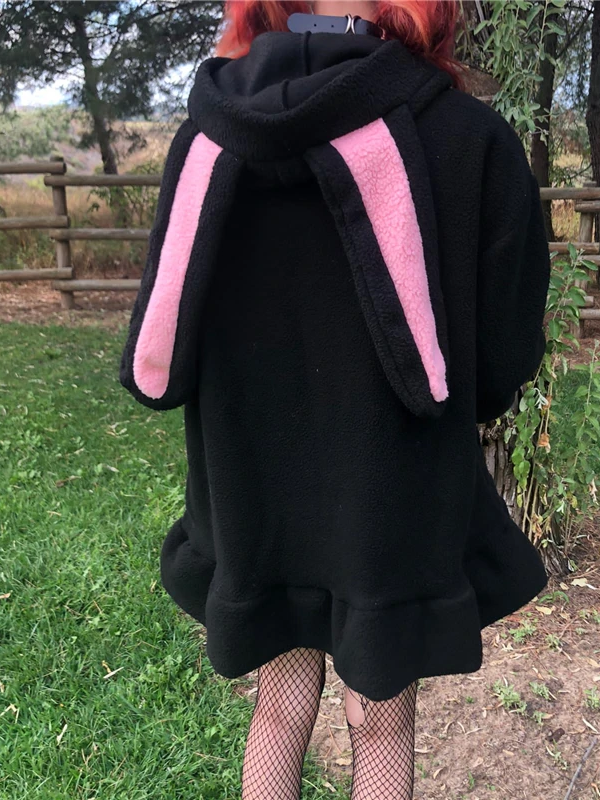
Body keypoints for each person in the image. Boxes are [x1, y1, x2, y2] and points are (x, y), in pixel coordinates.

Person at [119, 0, 552, 797]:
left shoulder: (209, 139)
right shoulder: (471, 138)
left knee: (279, 708)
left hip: (253, 495)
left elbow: (164, 338)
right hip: (395, 495)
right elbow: (504, 356)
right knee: (380, 722)